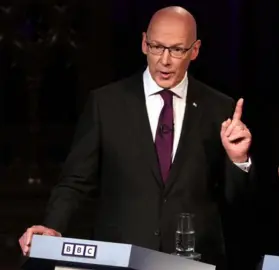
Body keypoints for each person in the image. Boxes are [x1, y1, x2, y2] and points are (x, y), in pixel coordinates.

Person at [18, 6, 254, 268]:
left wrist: (239, 160)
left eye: (177, 50)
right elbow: (75, 182)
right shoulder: (106, 103)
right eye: (156, 47)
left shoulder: (219, 108)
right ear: (144, 43)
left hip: (193, 261)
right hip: (120, 259)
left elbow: (237, 202)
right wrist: (52, 228)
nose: (164, 60)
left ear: (194, 50)